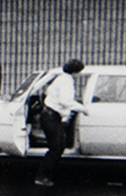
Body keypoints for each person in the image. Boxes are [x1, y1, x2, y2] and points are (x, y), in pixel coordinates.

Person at [34, 58, 89, 187]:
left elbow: (51, 94)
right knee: (57, 147)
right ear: (76, 72)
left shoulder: (60, 78)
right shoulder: (67, 82)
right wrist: (83, 109)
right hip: (51, 116)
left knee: (58, 146)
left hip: (48, 114)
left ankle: (47, 174)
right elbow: (66, 101)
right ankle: (42, 176)